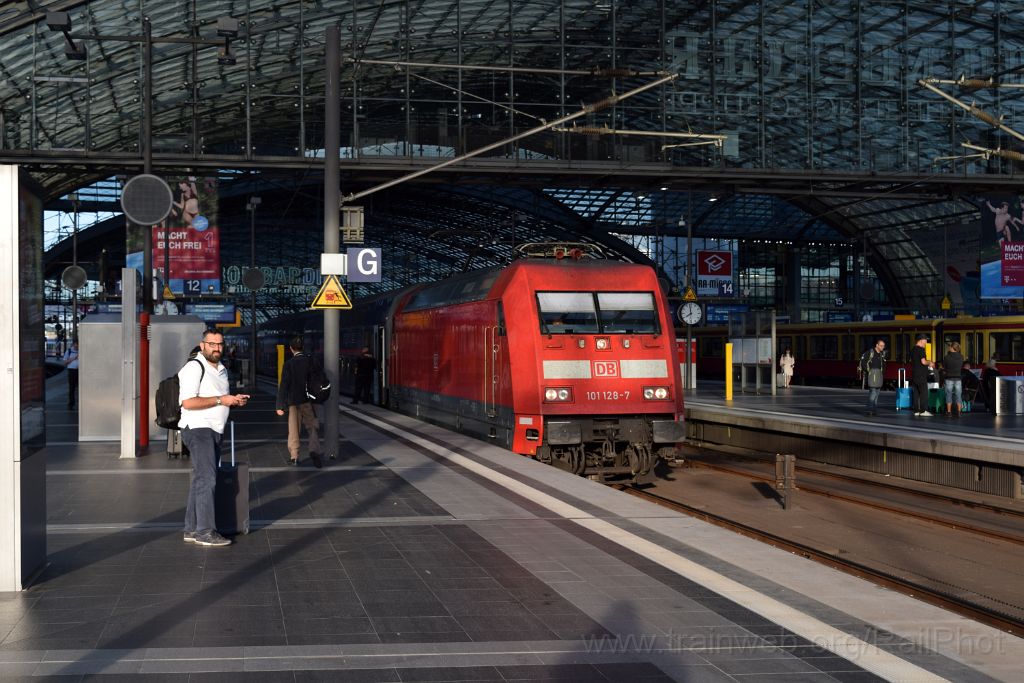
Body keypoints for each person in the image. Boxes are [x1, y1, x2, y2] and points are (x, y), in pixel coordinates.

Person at [179, 329, 250, 547]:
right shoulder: (193, 368)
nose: (217, 348)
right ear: (202, 345)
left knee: (201, 478)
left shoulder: (221, 369)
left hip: (214, 430)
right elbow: (188, 402)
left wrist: (233, 400)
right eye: (212, 344)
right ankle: (205, 532)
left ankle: (191, 528)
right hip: (199, 428)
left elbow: (221, 399)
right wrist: (221, 400)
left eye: (220, 344)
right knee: (208, 479)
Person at [275, 337, 322, 467]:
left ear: (291, 349)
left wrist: (279, 405)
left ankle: (294, 456)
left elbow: (284, 385)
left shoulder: (289, 364)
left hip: (294, 402)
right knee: (312, 427)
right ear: (303, 348)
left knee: (294, 429)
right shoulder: (311, 361)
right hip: (309, 401)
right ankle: (315, 452)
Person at [858, 338, 886, 416]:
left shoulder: (881, 354)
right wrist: (869, 371)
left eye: (883, 346)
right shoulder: (870, 352)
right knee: (873, 393)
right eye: (881, 346)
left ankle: (874, 410)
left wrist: (882, 373)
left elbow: (884, 364)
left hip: (879, 376)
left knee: (876, 394)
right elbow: (863, 362)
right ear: (877, 345)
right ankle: (869, 409)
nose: (882, 347)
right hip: (872, 376)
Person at [910, 333, 935, 417]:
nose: (926, 342)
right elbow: (923, 362)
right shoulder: (921, 350)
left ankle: (916, 411)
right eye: (925, 340)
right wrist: (930, 362)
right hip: (921, 375)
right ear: (921, 340)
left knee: (916, 393)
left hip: (914, 374)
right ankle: (924, 410)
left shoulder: (913, 349)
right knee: (924, 393)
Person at [941, 341, 964, 418]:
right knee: (958, 395)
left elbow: (944, 367)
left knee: (949, 395)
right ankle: (959, 412)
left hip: (949, 378)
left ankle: (949, 412)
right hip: (958, 378)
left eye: (950, 346)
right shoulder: (961, 357)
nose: (949, 348)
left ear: (952, 348)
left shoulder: (946, 357)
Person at [62, 340, 79, 409]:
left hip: (80, 371)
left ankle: (80, 403)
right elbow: (65, 362)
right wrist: (74, 358)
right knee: (72, 388)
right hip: (72, 371)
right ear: (74, 344)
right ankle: (71, 404)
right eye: (76, 345)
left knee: (81, 388)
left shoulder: (83, 351)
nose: (77, 346)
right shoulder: (69, 351)